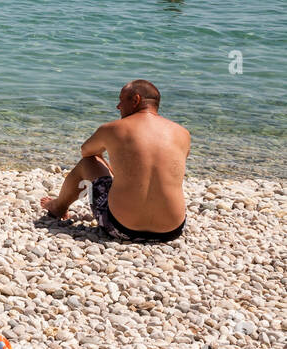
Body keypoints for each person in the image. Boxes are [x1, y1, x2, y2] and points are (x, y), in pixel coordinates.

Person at [40, 80, 190, 242]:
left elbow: (86, 152)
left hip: (121, 227)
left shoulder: (113, 128)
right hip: (172, 230)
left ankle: (58, 207)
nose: (118, 106)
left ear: (136, 100)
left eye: (121, 100)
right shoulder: (182, 133)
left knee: (89, 161)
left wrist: (111, 168)